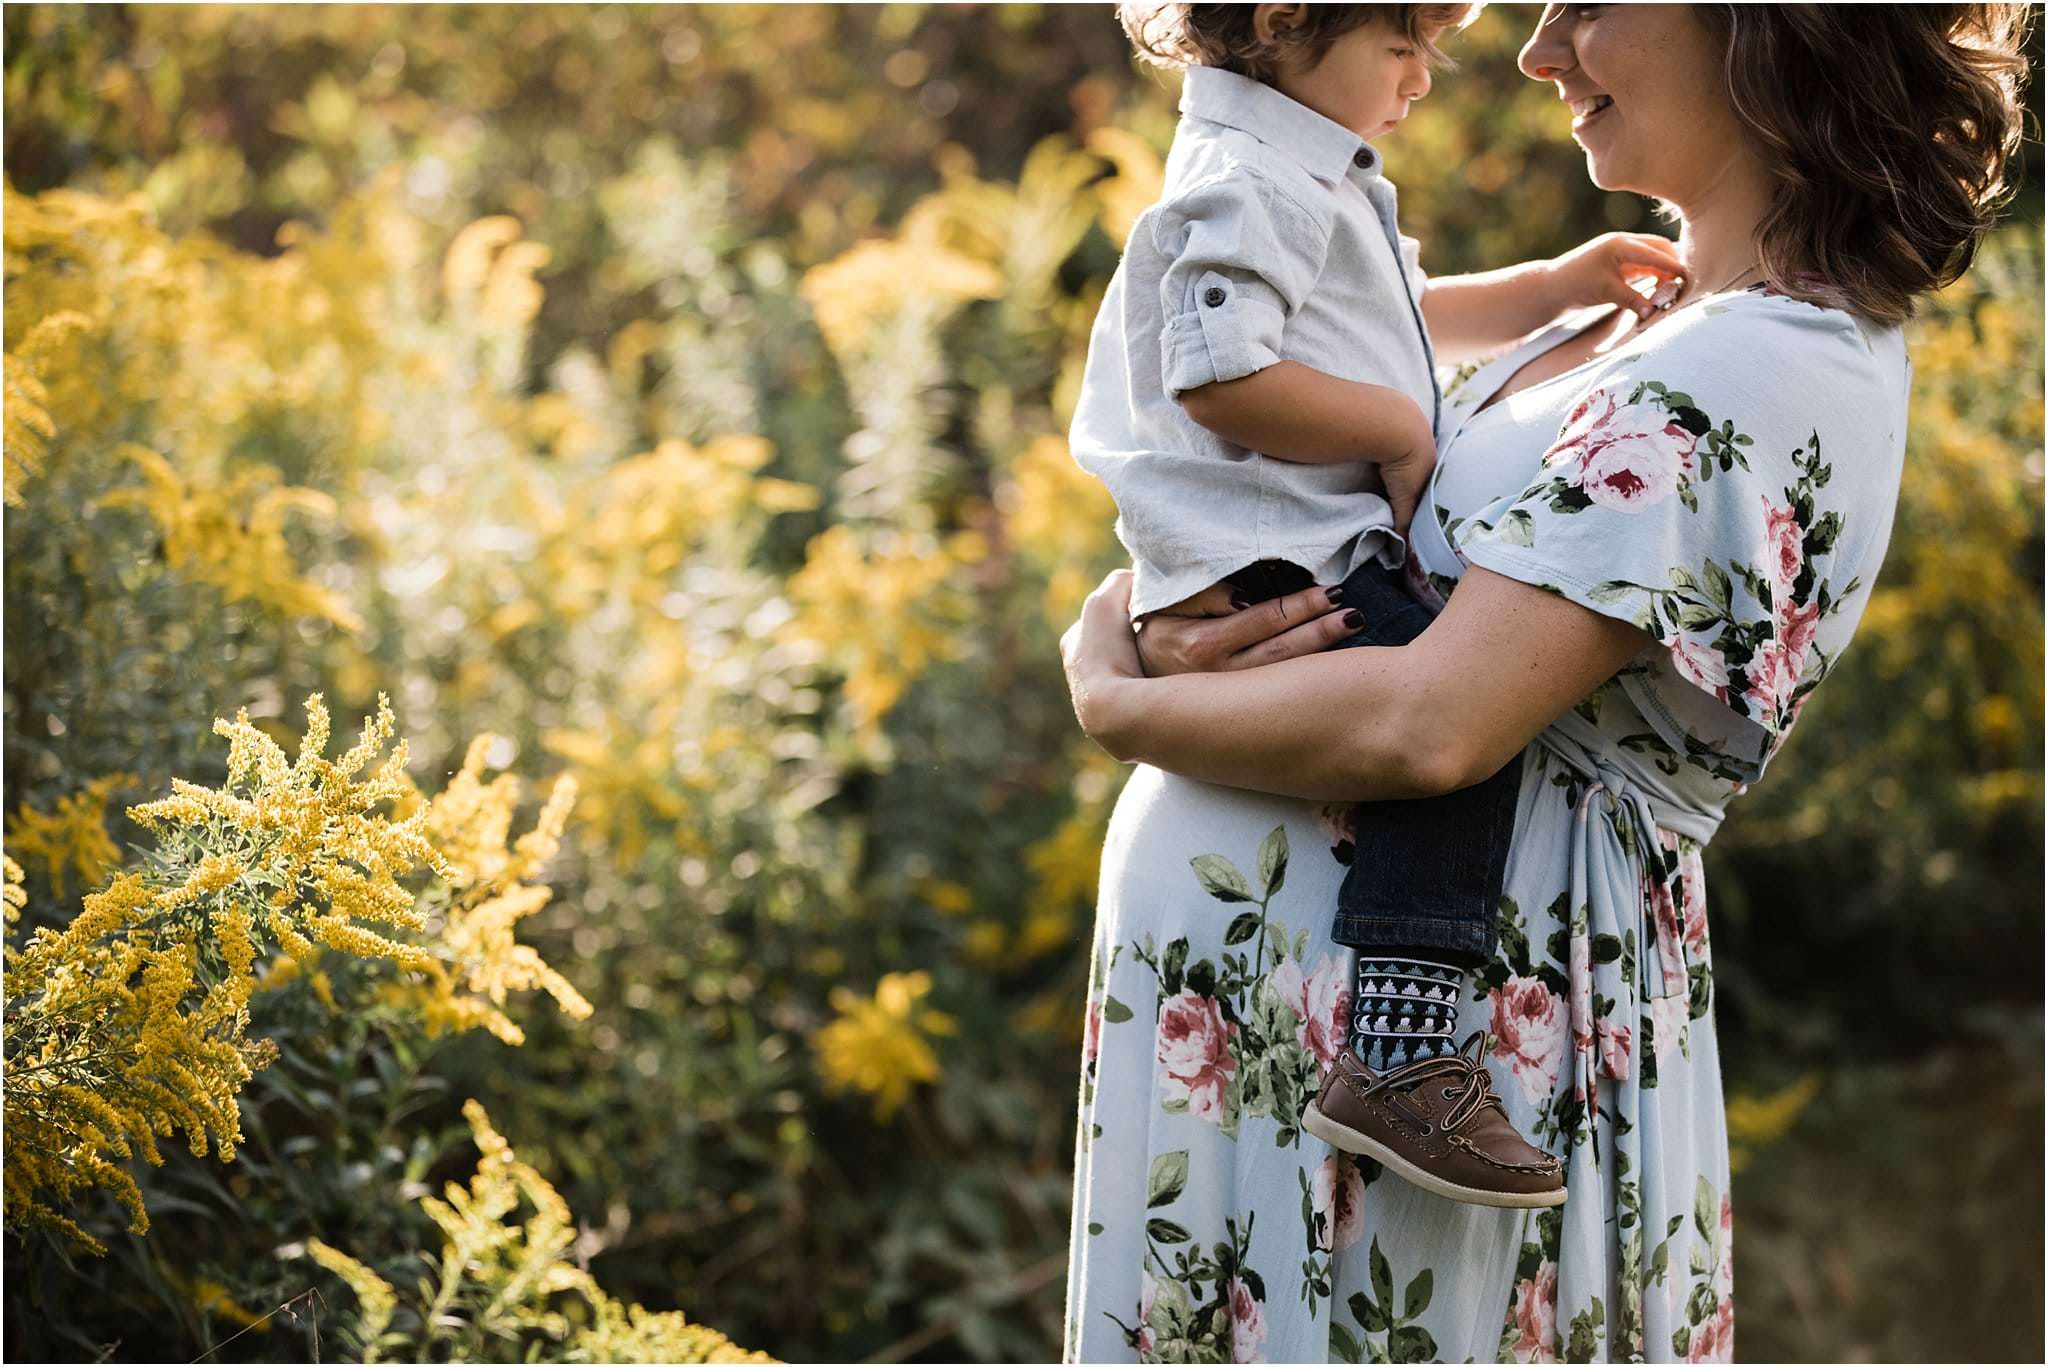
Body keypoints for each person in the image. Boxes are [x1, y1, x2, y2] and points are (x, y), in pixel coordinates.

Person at [1058, 3, 2031, 1362]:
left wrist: (1119, 701)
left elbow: (1433, 719)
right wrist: (1145, 607)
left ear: (1766, 29)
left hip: (1446, 1059)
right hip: (1264, 1035)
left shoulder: (1760, 363)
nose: (1536, 51)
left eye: (1592, 4)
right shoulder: (1651, 328)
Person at [1074, 0, 1685, 1206]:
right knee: (1448, 724)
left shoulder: (1301, 164)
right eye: (1401, 46)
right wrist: (1398, 429)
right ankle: (1401, 1051)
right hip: (1272, 548)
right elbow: (1222, 375)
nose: (1421, 79)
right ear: (1284, 20)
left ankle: (1397, 1034)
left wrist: (1545, 289)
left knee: (1438, 705)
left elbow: (1387, 316)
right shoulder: (1248, 178)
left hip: (1282, 540)